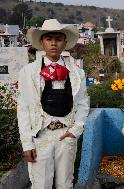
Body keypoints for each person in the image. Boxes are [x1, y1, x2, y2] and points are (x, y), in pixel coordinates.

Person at [17, 19, 90, 189]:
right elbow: (24, 108)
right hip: (40, 136)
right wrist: (27, 143)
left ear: (64, 43)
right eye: (49, 39)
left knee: (65, 184)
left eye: (58, 39)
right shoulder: (28, 73)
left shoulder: (77, 73)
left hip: (66, 134)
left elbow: (83, 103)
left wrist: (75, 130)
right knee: (41, 185)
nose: (53, 43)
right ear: (42, 42)